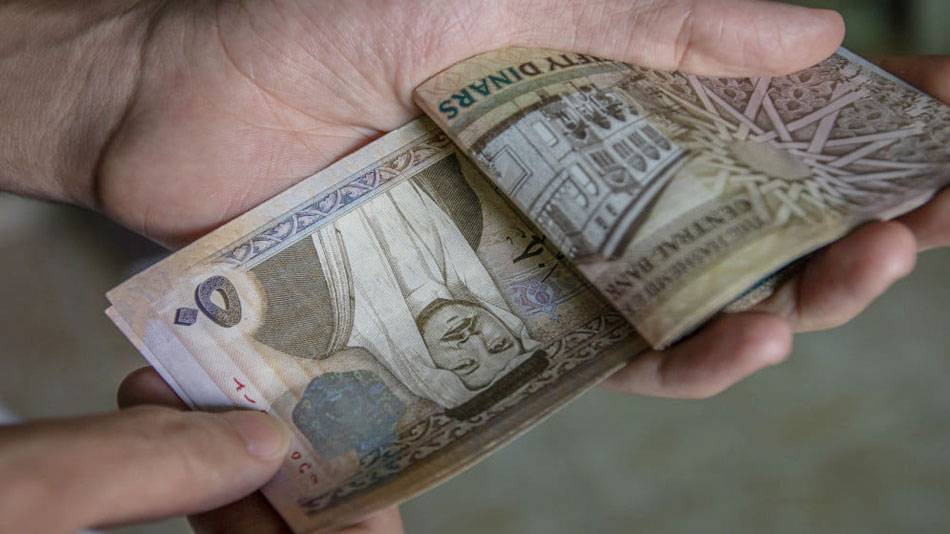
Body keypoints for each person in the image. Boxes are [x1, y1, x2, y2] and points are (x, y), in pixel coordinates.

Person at [0, 1, 946, 532]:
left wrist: (125, 84)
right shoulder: (452, 244)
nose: (476, 339)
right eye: (494, 344)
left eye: (471, 353)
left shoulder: (324, 322)